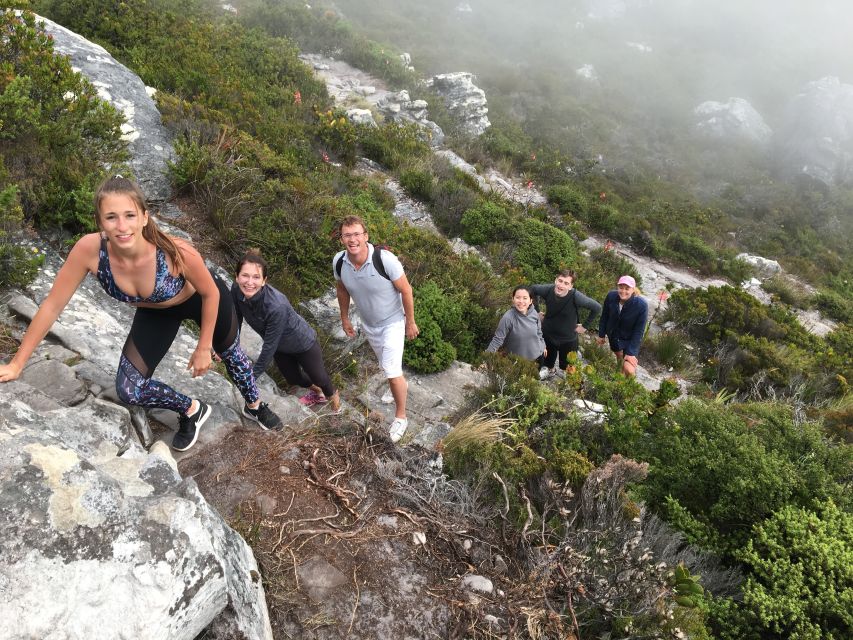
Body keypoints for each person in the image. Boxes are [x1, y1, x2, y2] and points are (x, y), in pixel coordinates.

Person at [0, 175, 282, 450]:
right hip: (156, 313)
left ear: (144, 217)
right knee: (129, 389)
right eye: (111, 217)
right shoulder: (88, 250)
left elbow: (210, 293)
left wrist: (204, 346)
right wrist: (17, 364)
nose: (122, 226)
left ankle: (255, 406)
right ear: (100, 221)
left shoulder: (175, 251)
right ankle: (192, 409)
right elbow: (52, 305)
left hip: (202, 299)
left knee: (232, 355)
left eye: (129, 215)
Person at [333, 216, 419, 443]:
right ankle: (399, 384)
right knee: (388, 366)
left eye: (356, 234)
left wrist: (410, 322)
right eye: (347, 235)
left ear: (366, 236)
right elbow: (342, 289)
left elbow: (406, 290)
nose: (352, 239)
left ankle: (401, 417)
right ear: (342, 238)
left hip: (393, 321)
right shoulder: (340, 262)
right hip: (369, 324)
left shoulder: (384, 259)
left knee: (390, 370)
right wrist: (344, 318)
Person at [232, 250, 340, 412]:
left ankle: (335, 404)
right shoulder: (236, 290)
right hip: (281, 347)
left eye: (256, 277)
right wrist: (231, 344)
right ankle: (317, 392)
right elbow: (236, 317)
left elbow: (269, 345)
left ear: (264, 281)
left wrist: (251, 377)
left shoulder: (276, 306)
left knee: (319, 377)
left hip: (302, 343)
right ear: (237, 276)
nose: (249, 282)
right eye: (245, 275)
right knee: (293, 378)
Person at [530, 269, 601, 379]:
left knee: (568, 367)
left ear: (571, 286)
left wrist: (585, 326)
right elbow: (533, 290)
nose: (561, 285)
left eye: (566, 283)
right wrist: (537, 311)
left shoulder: (576, 297)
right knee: (547, 360)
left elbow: (596, 307)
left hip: (568, 338)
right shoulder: (548, 290)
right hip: (548, 334)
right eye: (560, 281)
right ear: (555, 280)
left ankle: (566, 375)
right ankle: (550, 370)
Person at [596, 275, 648, 377]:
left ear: (633, 289)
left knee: (629, 369)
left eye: (627, 288)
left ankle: (630, 387)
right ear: (617, 287)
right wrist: (601, 334)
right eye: (621, 287)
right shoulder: (611, 296)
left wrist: (631, 352)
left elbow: (639, 331)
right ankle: (619, 377)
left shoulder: (641, 306)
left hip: (629, 339)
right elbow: (604, 316)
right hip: (614, 336)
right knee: (620, 359)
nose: (623, 291)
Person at [485, 286, 546, 364]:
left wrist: (543, 346)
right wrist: (485, 358)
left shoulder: (534, 313)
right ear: (513, 299)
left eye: (525, 298)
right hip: (518, 362)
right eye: (518, 297)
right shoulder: (508, 317)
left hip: (538, 357)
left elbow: (539, 332)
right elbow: (497, 340)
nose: (521, 301)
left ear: (530, 301)